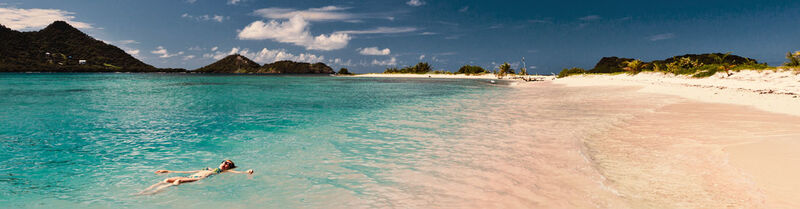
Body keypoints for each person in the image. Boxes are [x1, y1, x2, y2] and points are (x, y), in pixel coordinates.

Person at [138, 160, 253, 195]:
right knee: (167, 179)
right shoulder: (208, 168)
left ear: (229, 167)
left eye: (228, 164)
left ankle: (155, 192)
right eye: (224, 161)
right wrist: (168, 171)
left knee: (177, 181)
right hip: (191, 176)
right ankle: (146, 190)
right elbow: (189, 171)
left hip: (198, 179)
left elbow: (237, 173)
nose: (225, 163)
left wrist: (247, 172)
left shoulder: (221, 172)